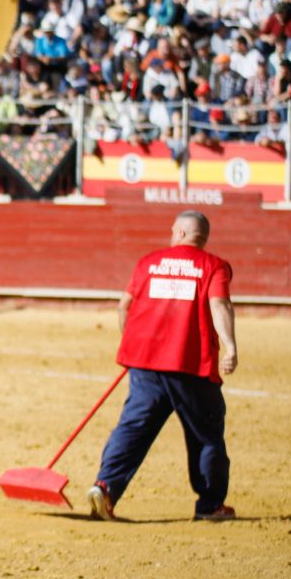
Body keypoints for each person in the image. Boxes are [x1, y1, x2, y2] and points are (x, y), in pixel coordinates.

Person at [87, 211, 238, 523]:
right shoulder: (213, 266)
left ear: (181, 233)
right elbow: (219, 304)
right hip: (191, 366)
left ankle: (105, 488)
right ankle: (210, 505)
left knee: (132, 428)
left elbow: (124, 306)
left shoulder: (149, 262)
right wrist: (230, 345)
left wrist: (133, 344)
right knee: (206, 435)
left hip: (146, 364)